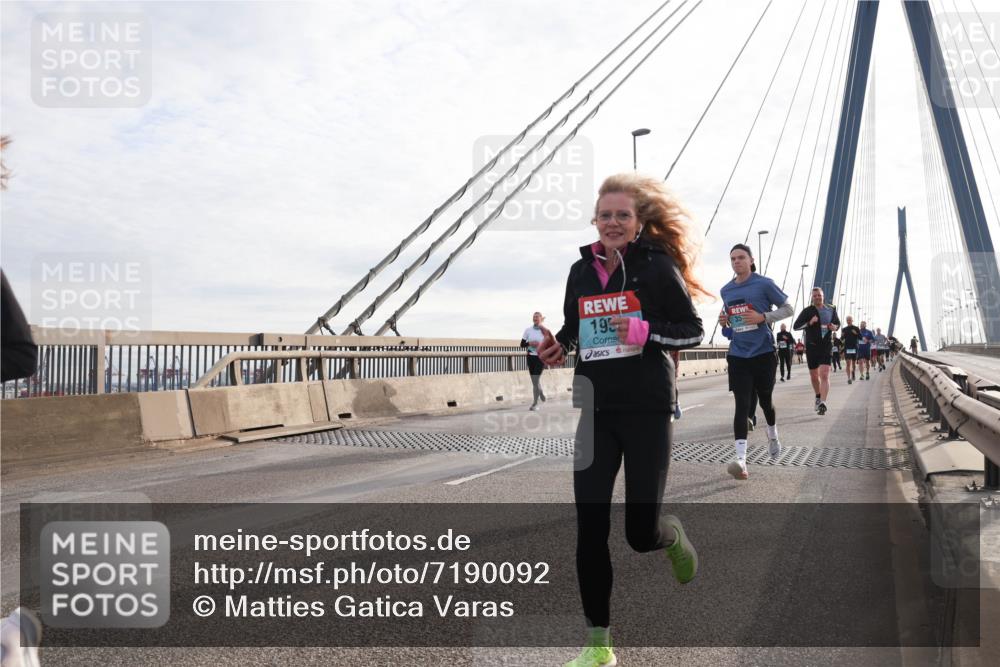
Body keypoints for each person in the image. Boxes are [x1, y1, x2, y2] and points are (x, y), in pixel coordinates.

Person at [535, 173, 707, 667]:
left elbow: (692, 331)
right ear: (595, 220)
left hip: (647, 408)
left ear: (638, 223)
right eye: (605, 215)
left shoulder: (656, 265)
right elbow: (573, 327)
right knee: (589, 527)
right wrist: (557, 348)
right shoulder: (580, 270)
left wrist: (644, 330)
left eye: (622, 216)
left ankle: (668, 534)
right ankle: (598, 646)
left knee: (637, 534)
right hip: (596, 408)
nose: (612, 223)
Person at [719, 244, 793, 480]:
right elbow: (733, 320)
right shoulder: (726, 290)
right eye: (733, 259)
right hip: (738, 355)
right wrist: (725, 322)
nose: (736, 262)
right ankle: (741, 460)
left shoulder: (764, 283)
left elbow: (788, 308)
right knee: (741, 405)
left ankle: (772, 434)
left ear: (751, 260)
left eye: (741, 258)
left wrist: (764, 317)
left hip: (763, 353)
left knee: (765, 401)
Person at [793, 287, 840, 415]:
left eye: (819, 295)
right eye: (815, 296)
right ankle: (818, 396)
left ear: (823, 296)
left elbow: (837, 324)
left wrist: (834, 327)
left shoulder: (831, 309)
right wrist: (809, 323)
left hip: (826, 346)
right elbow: (796, 326)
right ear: (812, 298)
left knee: (824, 374)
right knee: (814, 376)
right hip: (812, 346)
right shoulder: (807, 311)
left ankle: (823, 403)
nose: (817, 297)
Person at [520, 312, 547, 410]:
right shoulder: (528, 330)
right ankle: (540, 392)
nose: (535, 318)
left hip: (541, 358)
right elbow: (522, 344)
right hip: (530, 357)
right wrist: (529, 343)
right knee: (534, 381)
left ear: (541, 319)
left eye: (537, 317)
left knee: (536, 379)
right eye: (534, 317)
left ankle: (535, 403)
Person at [841, 316, 861, 384]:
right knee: (848, 363)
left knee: (853, 363)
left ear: (852, 320)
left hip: (854, 347)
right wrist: (842, 336)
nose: (848, 321)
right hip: (847, 348)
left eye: (850, 320)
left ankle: (853, 372)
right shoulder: (844, 329)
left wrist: (856, 333)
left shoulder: (856, 328)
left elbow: (860, 337)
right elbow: (841, 339)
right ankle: (849, 378)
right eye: (847, 320)